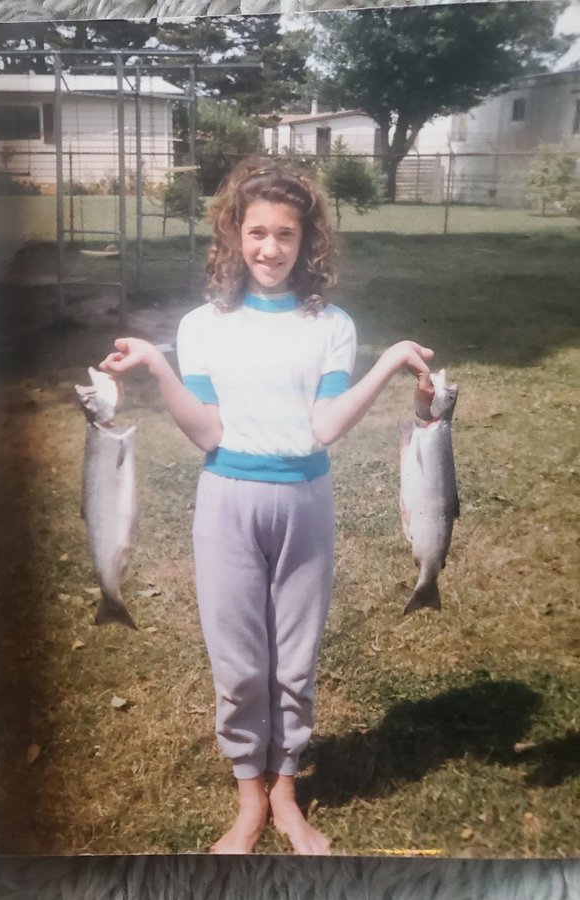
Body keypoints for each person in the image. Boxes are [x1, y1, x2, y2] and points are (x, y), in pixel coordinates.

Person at [100, 158, 434, 855]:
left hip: (305, 502)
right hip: (227, 502)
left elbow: (325, 427)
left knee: (295, 660)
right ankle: (248, 796)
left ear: (307, 239)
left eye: (286, 234)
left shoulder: (331, 325)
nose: (270, 249)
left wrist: (390, 359)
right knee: (240, 663)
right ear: (233, 235)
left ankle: (287, 791)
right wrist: (159, 367)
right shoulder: (203, 326)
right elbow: (207, 433)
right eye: (256, 233)